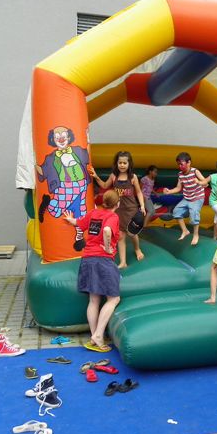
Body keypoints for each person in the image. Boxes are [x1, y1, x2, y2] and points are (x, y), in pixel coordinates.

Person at [63, 190, 121, 353]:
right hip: (102, 260)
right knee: (114, 299)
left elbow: (78, 223)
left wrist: (70, 220)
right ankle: (99, 335)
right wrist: (108, 247)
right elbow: (107, 230)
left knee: (94, 300)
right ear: (117, 204)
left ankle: (94, 337)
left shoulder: (94, 213)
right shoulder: (113, 217)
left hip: (88, 258)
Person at [89, 151, 146, 268]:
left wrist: (142, 206)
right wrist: (96, 176)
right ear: (116, 163)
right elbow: (104, 186)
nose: (122, 165)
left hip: (131, 209)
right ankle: (123, 262)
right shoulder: (113, 176)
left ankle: (137, 249)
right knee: (120, 235)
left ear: (129, 164)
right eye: (120, 163)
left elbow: (139, 192)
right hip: (118, 209)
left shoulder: (133, 177)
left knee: (132, 233)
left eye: (125, 163)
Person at [163, 152, 207, 246]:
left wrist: (199, 182)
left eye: (182, 164)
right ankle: (185, 231)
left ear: (189, 162)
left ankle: (196, 235)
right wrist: (169, 191)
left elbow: (205, 182)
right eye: (178, 164)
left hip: (197, 197)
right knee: (176, 211)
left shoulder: (195, 171)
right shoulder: (180, 174)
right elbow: (178, 188)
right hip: (187, 198)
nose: (180, 166)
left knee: (194, 213)